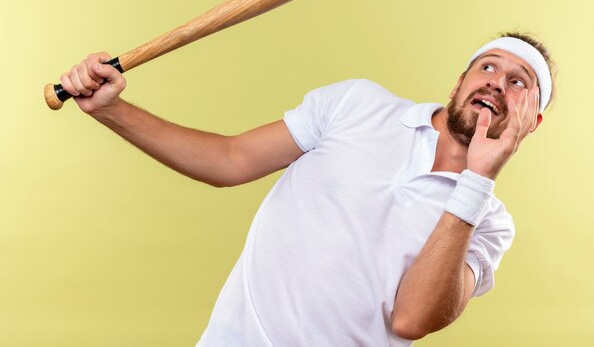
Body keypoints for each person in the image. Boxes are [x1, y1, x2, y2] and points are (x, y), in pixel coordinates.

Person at [59, 31, 556, 346]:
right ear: (460, 80)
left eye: (519, 81)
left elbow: (411, 320)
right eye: (487, 66)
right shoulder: (357, 104)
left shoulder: (489, 221)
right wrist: (111, 109)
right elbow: (229, 160)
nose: (496, 82)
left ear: (531, 122)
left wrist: (476, 182)